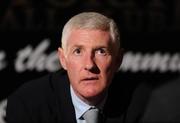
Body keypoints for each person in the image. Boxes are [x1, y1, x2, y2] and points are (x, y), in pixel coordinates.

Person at [6, 12, 150, 123]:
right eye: (78, 51)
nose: (89, 65)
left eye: (101, 51)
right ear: (63, 59)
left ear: (118, 60)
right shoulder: (28, 104)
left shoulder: (143, 104)